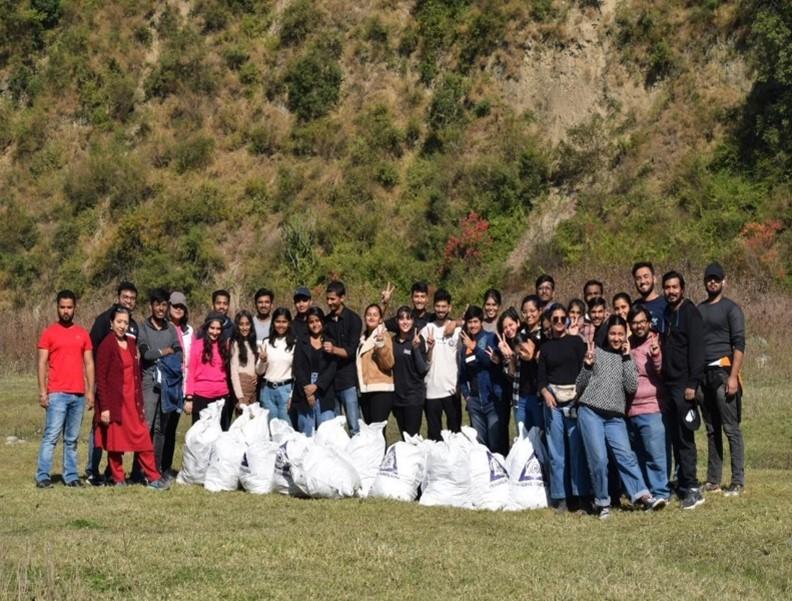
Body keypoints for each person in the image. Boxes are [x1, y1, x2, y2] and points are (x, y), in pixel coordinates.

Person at [576, 315, 660, 519]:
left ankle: (643, 496)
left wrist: (627, 357)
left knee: (626, 457)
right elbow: (579, 386)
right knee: (599, 460)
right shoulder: (596, 352)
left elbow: (631, 387)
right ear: (607, 334)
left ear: (625, 335)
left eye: (620, 334)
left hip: (615, 417)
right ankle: (602, 502)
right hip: (590, 411)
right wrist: (587, 365)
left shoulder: (626, 356)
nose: (616, 338)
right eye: (613, 333)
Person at [94, 307, 169, 490]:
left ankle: (153, 477)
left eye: (125, 323)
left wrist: (140, 403)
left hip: (132, 402)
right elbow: (101, 379)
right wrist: (104, 407)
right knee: (115, 442)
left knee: (143, 439)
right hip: (115, 403)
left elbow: (136, 376)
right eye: (119, 322)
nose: (122, 326)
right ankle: (118, 478)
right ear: (112, 323)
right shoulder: (106, 345)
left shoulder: (131, 342)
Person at [35, 290, 95, 488]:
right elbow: (42, 363)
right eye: (62, 307)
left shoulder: (82, 334)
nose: (66, 311)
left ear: (75, 308)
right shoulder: (49, 333)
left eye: (69, 307)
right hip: (57, 393)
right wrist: (43, 392)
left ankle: (71, 476)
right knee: (51, 436)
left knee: (72, 439)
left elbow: (89, 363)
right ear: (57, 308)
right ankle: (43, 476)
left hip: (78, 394)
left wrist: (90, 391)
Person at [697, 262, 746, 496]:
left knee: (731, 429)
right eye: (709, 278)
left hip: (724, 372)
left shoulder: (731, 309)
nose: (713, 282)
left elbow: (739, 344)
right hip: (703, 375)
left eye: (717, 278)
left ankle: (737, 481)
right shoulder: (699, 309)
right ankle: (713, 480)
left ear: (724, 281)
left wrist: (733, 377)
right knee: (711, 429)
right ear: (704, 282)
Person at [537, 303, 590, 512]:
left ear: (567, 320)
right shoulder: (545, 347)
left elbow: (585, 370)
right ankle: (560, 497)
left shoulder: (576, 342)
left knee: (577, 449)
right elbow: (541, 378)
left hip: (574, 399)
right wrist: (545, 393)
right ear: (550, 321)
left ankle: (581, 495)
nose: (559, 322)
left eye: (562, 318)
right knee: (556, 452)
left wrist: (580, 395)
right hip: (553, 402)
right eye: (555, 319)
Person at [86, 281, 139, 485]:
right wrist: (92, 384)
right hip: (104, 383)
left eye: (132, 298)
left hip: (123, 388)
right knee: (99, 427)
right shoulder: (104, 320)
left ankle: (111, 471)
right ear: (118, 297)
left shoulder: (132, 325)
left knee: (118, 429)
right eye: (125, 297)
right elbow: (91, 350)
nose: (128, 301)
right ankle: (92, 470)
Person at [661, 270, 706, 509]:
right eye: (667, 287)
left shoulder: (690, 312)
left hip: (684, 385)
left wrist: (692, 383)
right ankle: (681, 481)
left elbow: (698, 351)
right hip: (668, 385)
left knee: (685, 437)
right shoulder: (667, 314)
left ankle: (693, 488)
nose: (671, 291)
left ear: (682, 289)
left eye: (674, 287)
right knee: (675, 437)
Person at [136, 288, 183, 480]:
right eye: (157, 305)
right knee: (146, 426)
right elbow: (146, 354)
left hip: (167, 384)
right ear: (151, 306)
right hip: (149, 382)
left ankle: (154, 470)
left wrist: (164, 354)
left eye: (164, 305)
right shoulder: (142, 327)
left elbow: (179, 352)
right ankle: (139, 470)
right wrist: (164, 351)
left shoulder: (171, 329)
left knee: (160, 429)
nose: (161, 309)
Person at [627, 307, 670, 502]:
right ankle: (647, 494)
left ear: (648, 322)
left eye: (642, 322)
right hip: (630, 409)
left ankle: (661, 492)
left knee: (655, 454)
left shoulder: (656, 341)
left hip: (652, 407)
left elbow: (663, 373)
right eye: (634, 323)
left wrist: (657, 355)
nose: (638, 326)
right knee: (638, 454)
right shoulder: (627, 344)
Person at [458, 306, 503, 451]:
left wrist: (475, 347)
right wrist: (467, 396)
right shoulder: (464, 347)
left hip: (491, 400)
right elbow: (462, 375)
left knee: (495, 443)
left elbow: (490, 363)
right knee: (480, 445)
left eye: (475, 321)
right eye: (470, 322)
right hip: (475, 402)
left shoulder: (490, 338)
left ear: (481, 321)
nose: (473, 325)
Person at [420, 289, 462, 441]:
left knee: (455, 435)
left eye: (444, 306)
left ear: (449, 307)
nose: (440, 309)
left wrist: (457, 322)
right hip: (431, 390)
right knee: (434, 437)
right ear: (433, 307)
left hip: (452, 390)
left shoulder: (457, 331)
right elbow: (423, 361)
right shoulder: (426, 330)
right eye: (438, 306)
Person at [323, 281, 363, 434]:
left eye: (333, 299)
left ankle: (359, 448)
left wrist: (333, 349)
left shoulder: (354, 319)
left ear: (342, 298)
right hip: (331, 381)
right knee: (336, 428)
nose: (329, 302)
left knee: (354, 425)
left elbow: (351, 351)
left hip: (348, 381)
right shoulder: (325, 322)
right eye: (328, 299)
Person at [290, 307, 337, 435]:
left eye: (317, 321)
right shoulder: (301, 342)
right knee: (306, 433)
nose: (315, 324)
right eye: (311, 322)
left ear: (322, 321)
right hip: (304, 390)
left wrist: (317, 386)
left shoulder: (330, 342)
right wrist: (308, 391)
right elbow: (298, 367)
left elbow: (332, 368)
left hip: (324, 390)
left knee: (326, 433)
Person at [356, 304, 396, 436]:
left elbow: (389, 363)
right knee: (370, 434)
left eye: (375, 315)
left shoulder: (383, 335)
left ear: (380, 319)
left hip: (380, 390)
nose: (371, 317)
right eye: (369, 314)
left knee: (377, 433)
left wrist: (380, 345)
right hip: (366, 390)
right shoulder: (363, 338)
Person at [185, 313, 231, 425]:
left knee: (221, 433)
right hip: (201, 396)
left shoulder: (225, 346)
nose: (215, 332)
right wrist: (189, 398)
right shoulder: (197, 345)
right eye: (212, 328)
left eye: (218, 329)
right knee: (201, 433)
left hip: (221, 396)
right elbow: (191, 373)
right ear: (206, 328)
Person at [391, 306, 429, 438]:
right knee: (404, 436)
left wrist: (416, 348)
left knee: (412, 438)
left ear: (413, 321)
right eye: (401, 319)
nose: (405, 322)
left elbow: (422, 369)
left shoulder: (418, 340)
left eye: (408, 319)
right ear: (397, 321)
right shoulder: (392, 341)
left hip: (413, 397)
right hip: (397, 398)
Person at [508, 298, 544, 433]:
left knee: (540, 437)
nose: (529, 315)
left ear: (540, 311)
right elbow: (513, 369)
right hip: (521, 395)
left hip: (539, 396)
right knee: (522, 439)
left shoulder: (545, 334)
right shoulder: (520, 335)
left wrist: (533, 356)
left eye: (532, 311)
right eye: (524, 312)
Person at [258, 308, 296, 422]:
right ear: (273, 323)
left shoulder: (294, 344)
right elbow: (259, 371)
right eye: (278, 321)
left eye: (284, 322)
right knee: (270, 428)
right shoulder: (266, 342)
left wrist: (292, 395)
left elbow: (297, 373)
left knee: (286, 427)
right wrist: (263, 361)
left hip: (286, 391)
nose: (281, 325)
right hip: (267, 391)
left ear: (289, 323)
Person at [230, 310, 265, 409]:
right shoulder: (235, 344)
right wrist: (240, 396)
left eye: (247, 324)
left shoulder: (253, 343)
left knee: (253, 417)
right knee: (243, 417)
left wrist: (262, 362)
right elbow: (234, 372)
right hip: (242, 386)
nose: (244, 328)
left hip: (252, 387)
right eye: (241, 324)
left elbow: (258, 369)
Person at [168, 291, 193, 395]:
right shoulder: (162, 329)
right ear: (169, 307)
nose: (178, 309)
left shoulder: (189, 330)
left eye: (181, 307)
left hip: (185, 380)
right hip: (168, 380)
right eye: (175, 306)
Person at [632, 262, 667, 333]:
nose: (642, 281)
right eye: (638, 278)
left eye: (646, 276)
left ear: (654, 279)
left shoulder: (665, 304)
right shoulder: (635, 306)